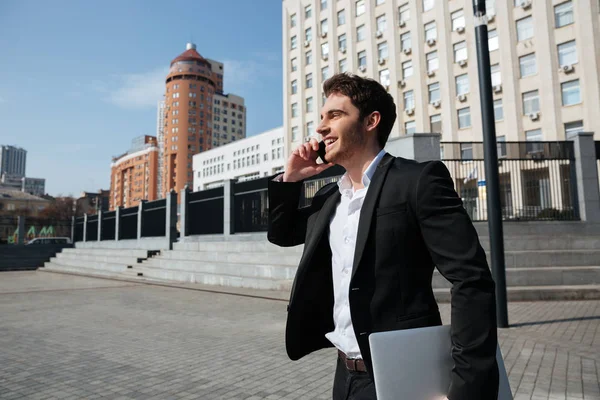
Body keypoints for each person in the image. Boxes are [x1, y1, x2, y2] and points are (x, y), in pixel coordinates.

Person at [267, 73, 499, 400]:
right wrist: (291, 179)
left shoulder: (417, 181)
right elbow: (282, 233)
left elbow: (472, 280)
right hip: (344, 375)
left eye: (335, 115)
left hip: (402, 372)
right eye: (321, 117)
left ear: (371, 121)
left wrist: (466, 385)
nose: (320, 127)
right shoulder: (330, 198)